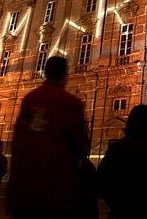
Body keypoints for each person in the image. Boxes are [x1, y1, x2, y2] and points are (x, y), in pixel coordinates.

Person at [8, 56, 91, 218]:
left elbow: (17, 141)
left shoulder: (29, 99)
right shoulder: (71, 103)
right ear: (65, 74)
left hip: (24, 188)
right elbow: (82, 145)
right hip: (55, 189)